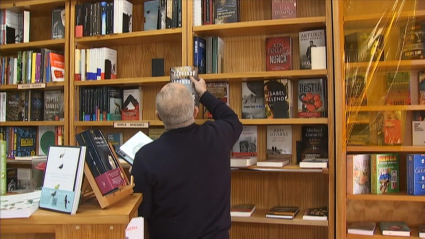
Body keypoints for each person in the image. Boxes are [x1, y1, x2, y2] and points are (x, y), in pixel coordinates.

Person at [131, 76, 243, 239]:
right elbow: (232, 119)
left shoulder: (145, 157)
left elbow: (141, 212)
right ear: (195, 112)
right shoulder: (217, 136)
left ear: (158, 116)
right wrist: (203, 93)